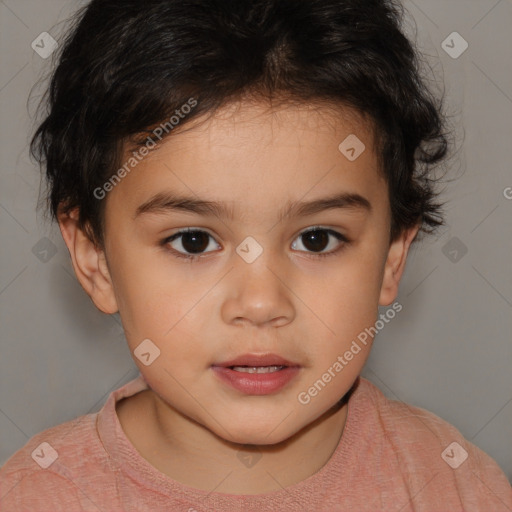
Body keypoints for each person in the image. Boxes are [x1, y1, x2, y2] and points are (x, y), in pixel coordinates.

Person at [1, 0, 511, 510]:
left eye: (316, 239)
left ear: (393, 254)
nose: (262, 303)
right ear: (96, 259)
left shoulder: (455, 486)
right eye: (193, 241)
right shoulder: (36, 496)